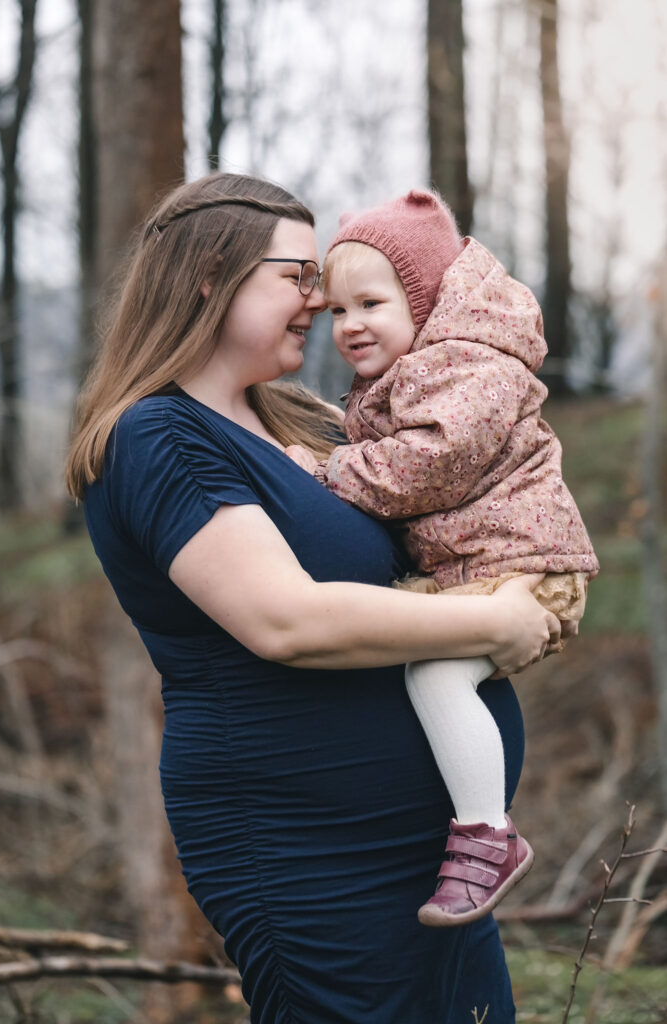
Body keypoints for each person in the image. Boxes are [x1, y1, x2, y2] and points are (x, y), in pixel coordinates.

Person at [65, 172, 561, 1024]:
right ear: (207, 277)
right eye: (298, 276)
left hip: (438, 854)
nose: (319, 297)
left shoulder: (310, 422)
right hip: (309, 850)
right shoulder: (158, 435)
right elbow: (284, 621)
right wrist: (498, 619)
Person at [285, 188, 598, 930]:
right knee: (402, 650)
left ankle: (487, 832)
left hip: (523, 567)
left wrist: (328, 473)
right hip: (477, 564)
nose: (351, 325)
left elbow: (433, 463)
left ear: (425, 300)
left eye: (372, 303)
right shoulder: (416, 370)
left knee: (430, 666)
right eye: (338, 311)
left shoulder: (467, 366)